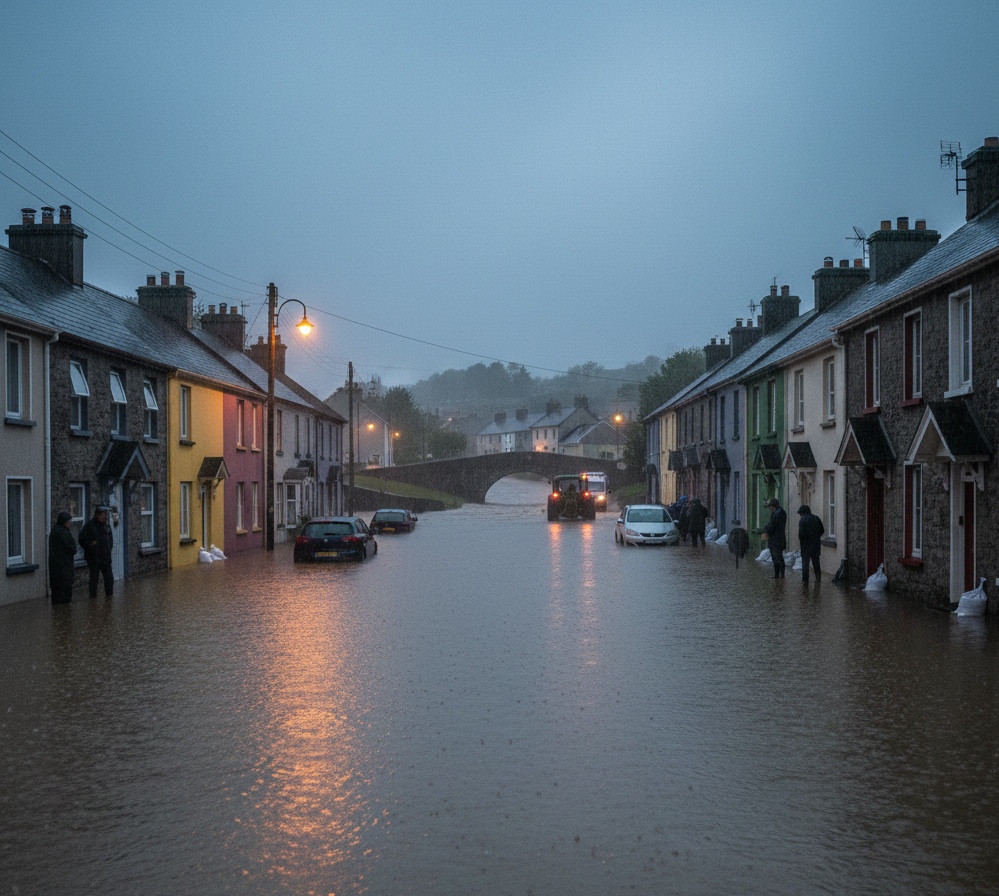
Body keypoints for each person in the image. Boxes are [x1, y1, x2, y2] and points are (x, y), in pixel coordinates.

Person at [79, 505, 114, 598]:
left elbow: (110, 539)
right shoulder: (89, 526)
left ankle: (109, 597)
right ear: (97, 515)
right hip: (94, 558)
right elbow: (81, 539)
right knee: (94, 579)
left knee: (109, 578)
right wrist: (90, 544)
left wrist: (109, 548)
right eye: (102, 515)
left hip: (105, 558)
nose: (104, 517)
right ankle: (93, 598)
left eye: (105, 515)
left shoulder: (106, 526)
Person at [48, 511, 77, 605]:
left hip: (55, 566)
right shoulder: (63, 532)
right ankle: (64, 614)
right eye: (69, 522)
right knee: (65, 591)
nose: (70, 524)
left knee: (56, 591)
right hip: (64, 566)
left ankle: (58, 615)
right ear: (65, 522)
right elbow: (71, 548)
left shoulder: (55, 530)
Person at [797, 505, 825, 584]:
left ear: (802, 513)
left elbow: (801, 535)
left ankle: (805, 582)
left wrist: (805, 540)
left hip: (806, 546)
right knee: (816, 563)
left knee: (805, 564)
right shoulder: (816, 518)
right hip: (815, 545)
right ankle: (818, 579)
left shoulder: (802, 520)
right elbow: (822, 530)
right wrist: (815, 537)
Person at [762, 497, 787, 579]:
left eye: (771, 507)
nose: (770, 508)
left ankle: (779, 575)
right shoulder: (780, 513)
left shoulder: (777, 514)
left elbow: (772, 526)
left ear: (774, 506)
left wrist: (766, 530)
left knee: (776, 558)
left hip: (776, 540)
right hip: (779, 539)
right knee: (778, 557)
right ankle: (780, 575)